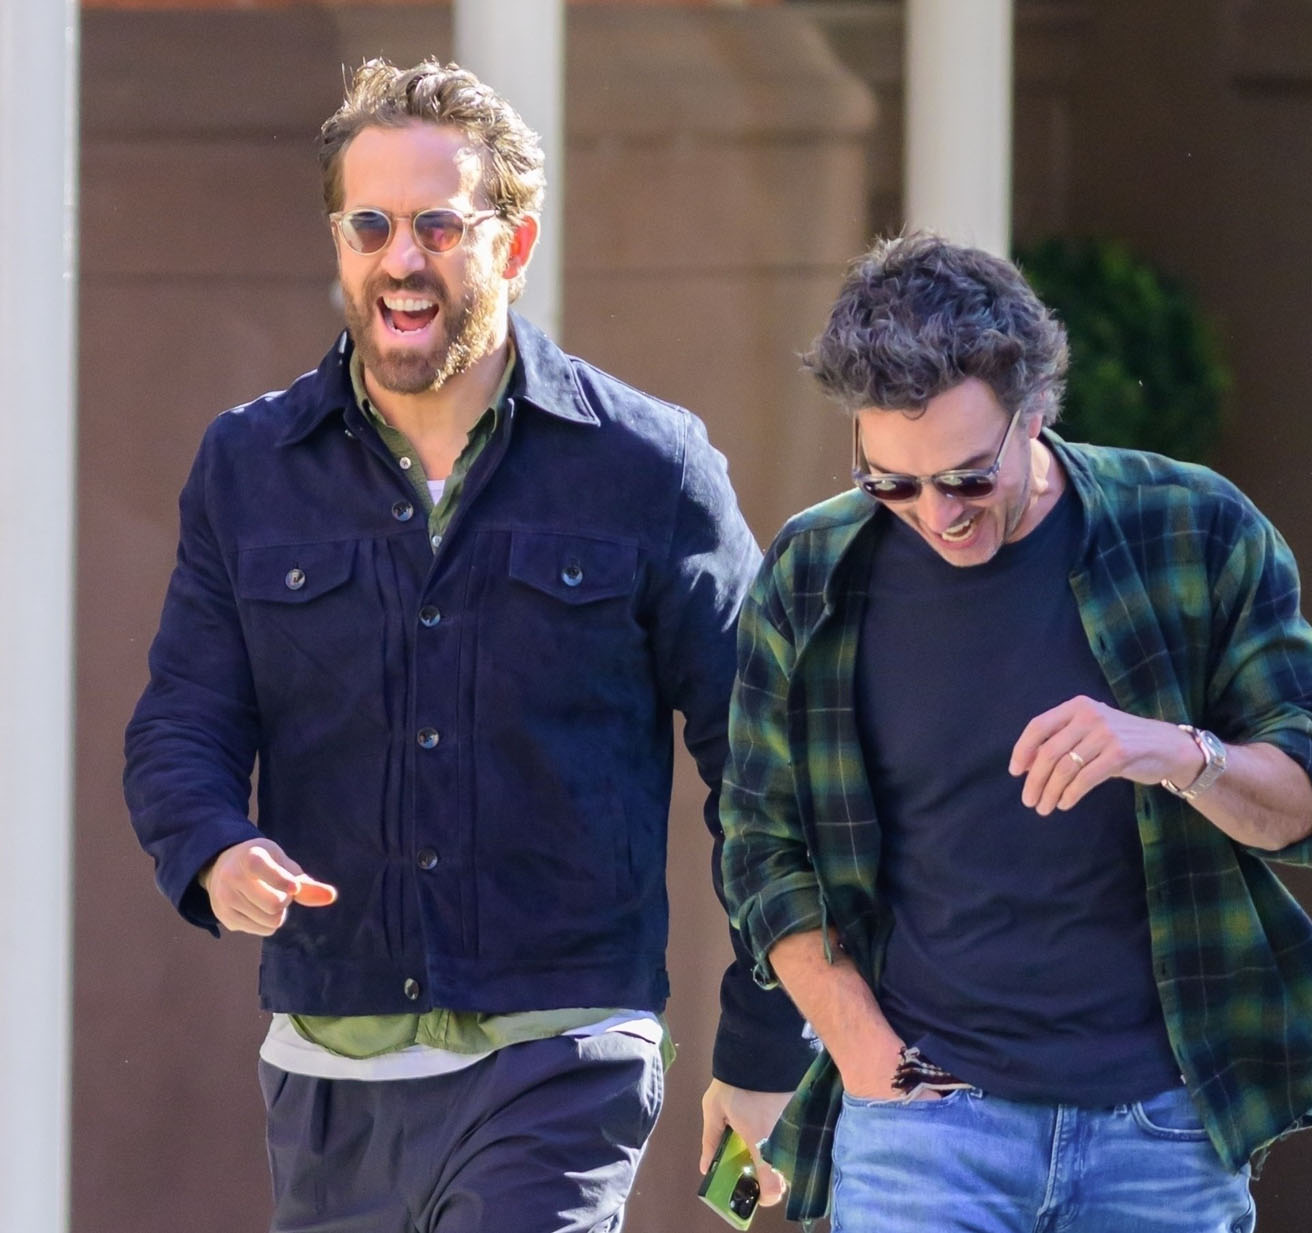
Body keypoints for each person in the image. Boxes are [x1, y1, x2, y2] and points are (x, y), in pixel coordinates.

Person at [122, 58, 806, 1233]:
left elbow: (765, 769)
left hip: (562, 1057)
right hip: (325, 1076)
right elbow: (182, 723)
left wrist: (764, 1043)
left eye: (438, 225)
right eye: (370, 226)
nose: (401, 259)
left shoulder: (648, 467)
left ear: (514, 243)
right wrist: (213, 848)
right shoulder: (247, 469)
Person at [719, 232, 1312, 1231]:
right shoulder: (814, 572)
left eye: (968, 478)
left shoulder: (1192, 529)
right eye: (892, 483)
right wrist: (868, 1054)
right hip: (926, 1130)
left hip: (1163, 1129)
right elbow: (761, 844)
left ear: (1035, 411)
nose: (936, 515)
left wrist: (1177, 753)